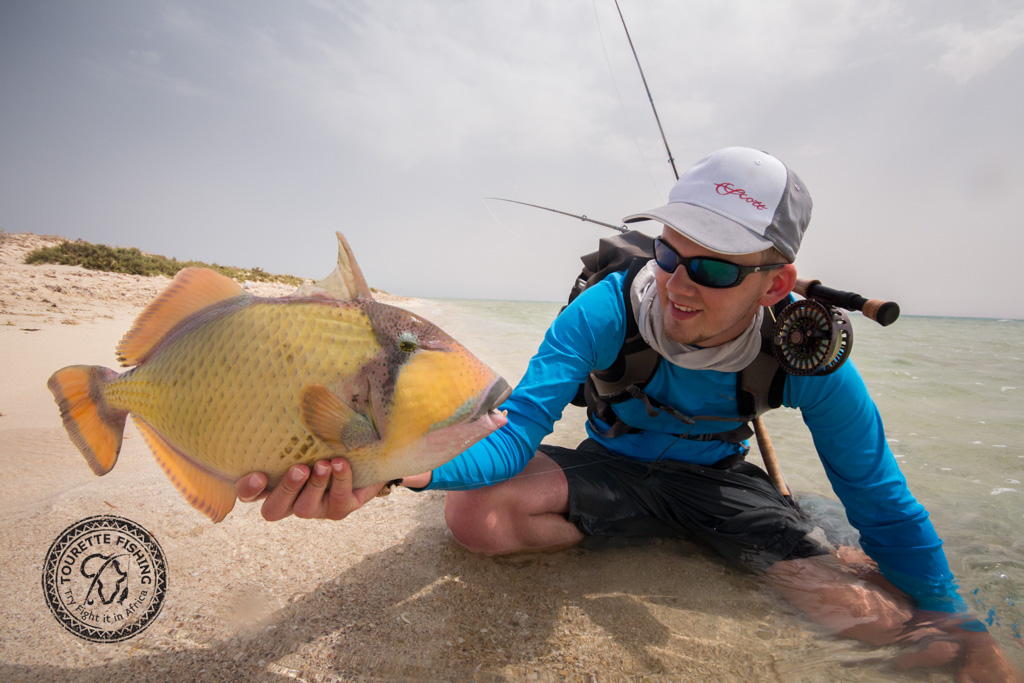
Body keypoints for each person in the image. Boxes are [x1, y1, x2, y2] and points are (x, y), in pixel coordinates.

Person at [237, 147, 1020, 680]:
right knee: (475, 520)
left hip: (718, 482)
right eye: (672, 250)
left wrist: (960, 622)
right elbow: (515, 434)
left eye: (713, 266)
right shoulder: (604, 310)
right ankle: (665, 537)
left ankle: (791, 540)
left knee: (887, 625)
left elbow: (883, 501)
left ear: (775, 285)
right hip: (612, 464)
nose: (678, 280)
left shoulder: (805, 357)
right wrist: (397, 473)